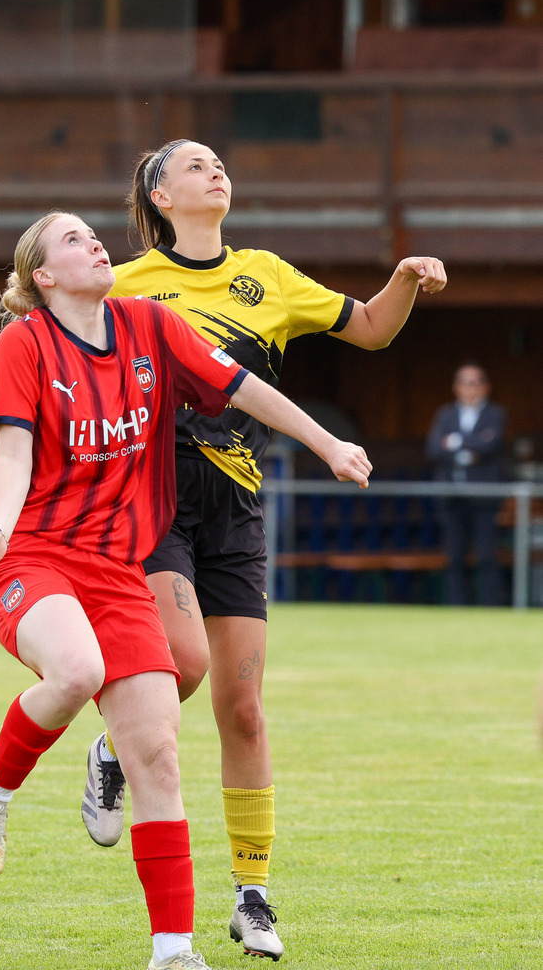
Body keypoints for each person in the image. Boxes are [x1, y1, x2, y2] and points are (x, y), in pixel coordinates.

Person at [0, 211, 372, 970]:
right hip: (33, 556)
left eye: (92, 233)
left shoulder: (148, 325)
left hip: (117, 570)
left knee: (158, 760)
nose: (93, 242)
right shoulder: (24, 341)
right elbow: (12, 451)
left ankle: (173, 952)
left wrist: (329, 444)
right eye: (70, 240)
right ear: (41, 277)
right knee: (77, 670)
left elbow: (242, 389)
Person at [82, 138, 447, 961]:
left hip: (237, 511)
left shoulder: (269, 276)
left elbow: (372, 331)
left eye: (219, 163)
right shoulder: (126, 283)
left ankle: (252, 897)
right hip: (155, 502)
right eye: (194, 165)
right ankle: (113, 746)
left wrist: (403, 279)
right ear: (161, 197)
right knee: (182, 664)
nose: (215, 171)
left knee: (243, 710)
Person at [426, 362, 507, 606]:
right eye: (464, 382)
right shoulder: (445, 414)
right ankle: (455, 607)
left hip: (483, 498)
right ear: (455, 387)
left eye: (474, 382)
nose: (469, 388)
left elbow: (490, 445)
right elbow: (433, 449)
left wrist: (455, 442)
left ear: (486, 387)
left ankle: (490, 608)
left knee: (486, 556)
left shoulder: (495, 414)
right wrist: (469, 448)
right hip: (451, 496)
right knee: (454, 557)